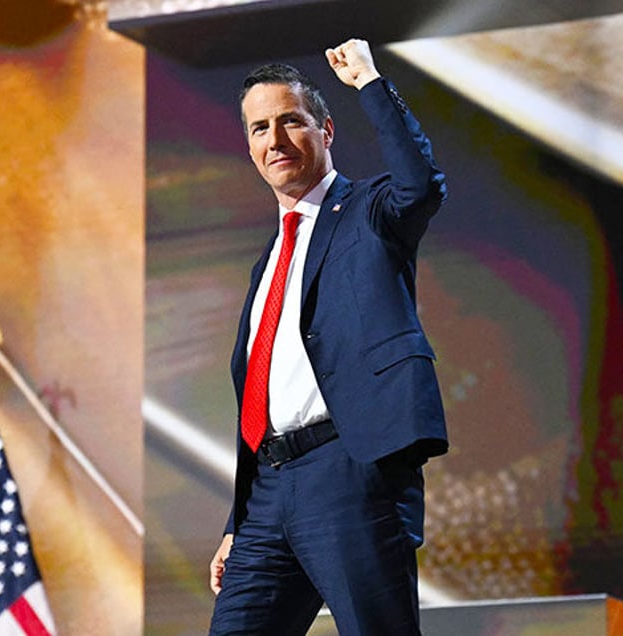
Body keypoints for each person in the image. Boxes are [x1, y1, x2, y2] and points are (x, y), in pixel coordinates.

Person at [208, 38, 449, 635]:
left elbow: (421, 184)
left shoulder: (369, 211)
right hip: (268, 494)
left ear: (326, 130)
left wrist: (369, 81)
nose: (276, 139)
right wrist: (237, 521)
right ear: (249, 147)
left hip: (350, 471)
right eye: (260, 128)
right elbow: (266, 389)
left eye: (292, 121)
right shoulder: (268, 259)